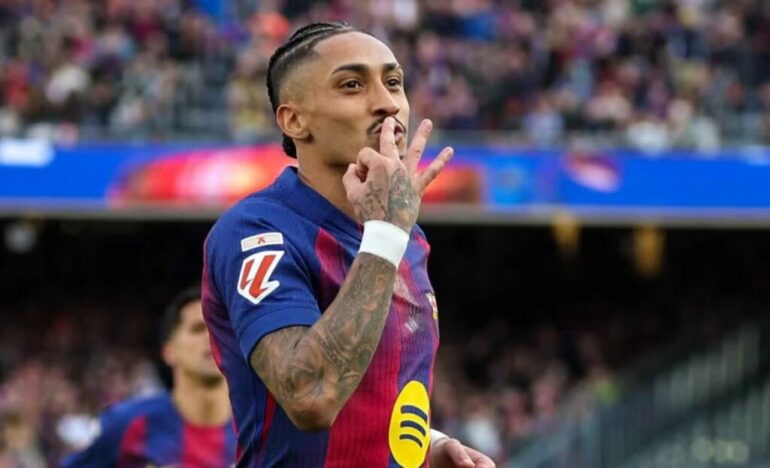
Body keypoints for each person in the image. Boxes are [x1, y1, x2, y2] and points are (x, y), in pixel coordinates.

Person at [202, 21, 495, 467]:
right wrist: (386, 233)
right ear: (294, 120)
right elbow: (310, 396)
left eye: (393, 82)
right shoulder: (256, 230)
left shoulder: (406, 237)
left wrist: (429, 446)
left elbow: (380, 387)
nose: (387, 103)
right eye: (353, 85)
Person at [61, 287, 236, 467]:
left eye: (220, 328)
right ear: (169, 351)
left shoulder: (255, 429)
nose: (211, 337)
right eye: (197, 329)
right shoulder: (124, 424)